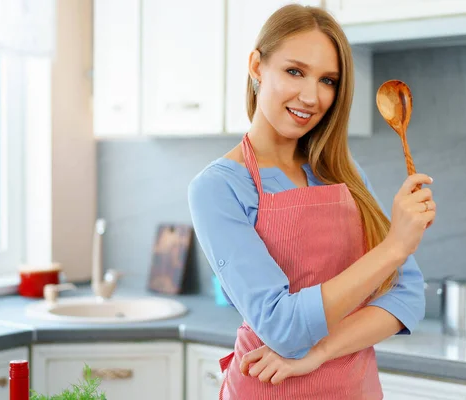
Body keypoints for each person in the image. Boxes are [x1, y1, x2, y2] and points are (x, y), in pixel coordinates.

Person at [187, 4, 436, 400]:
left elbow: (406, 295)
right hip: (269, 387)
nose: (311, 96)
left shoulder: (342, 171)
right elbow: (281, 327)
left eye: (328, 81)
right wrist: (394, 247)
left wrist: (318, 352)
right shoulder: (219, 187)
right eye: (294, 71)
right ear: (256, 66)